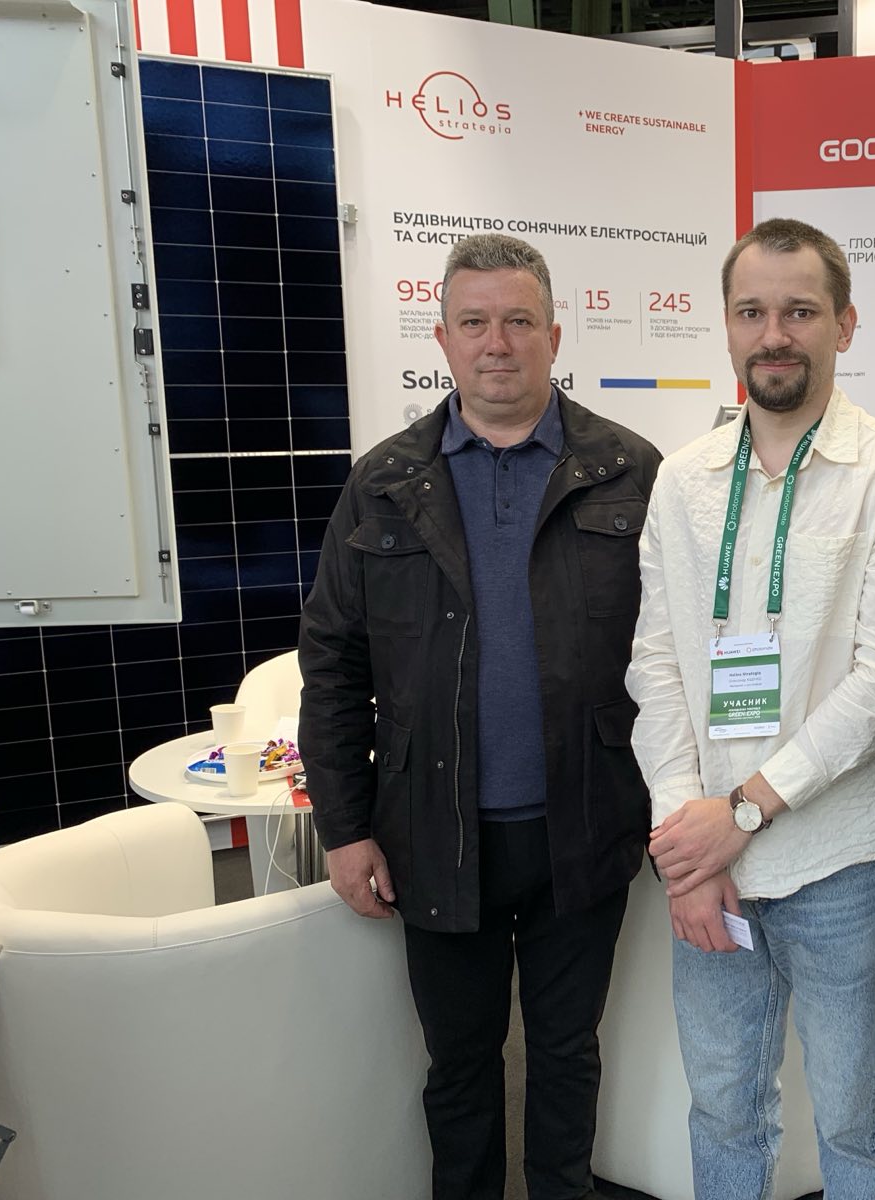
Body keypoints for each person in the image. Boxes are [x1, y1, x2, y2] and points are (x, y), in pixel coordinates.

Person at [298, 233, 660, 1200]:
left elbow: (676, 660)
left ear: (554, 334)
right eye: (474, 323)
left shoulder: (629, 470)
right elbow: (331, 663)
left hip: (584, 824)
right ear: (443, 338)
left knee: (568, 1053)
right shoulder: (383, 481)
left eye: (517, 321)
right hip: (431, 830)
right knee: (458, 1065)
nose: (497, 343)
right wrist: (345, 829)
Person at [625, 217, 875, 1198]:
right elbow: (655, 668)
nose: (774, 334)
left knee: (854, 1119)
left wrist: (744, 811)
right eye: (752, 312)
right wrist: (687, 843)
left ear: (844, 325)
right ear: (727, 326)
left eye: (800, 312)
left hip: (840, 860)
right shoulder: (682, 481)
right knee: (723, 1109)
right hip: (709, 862)